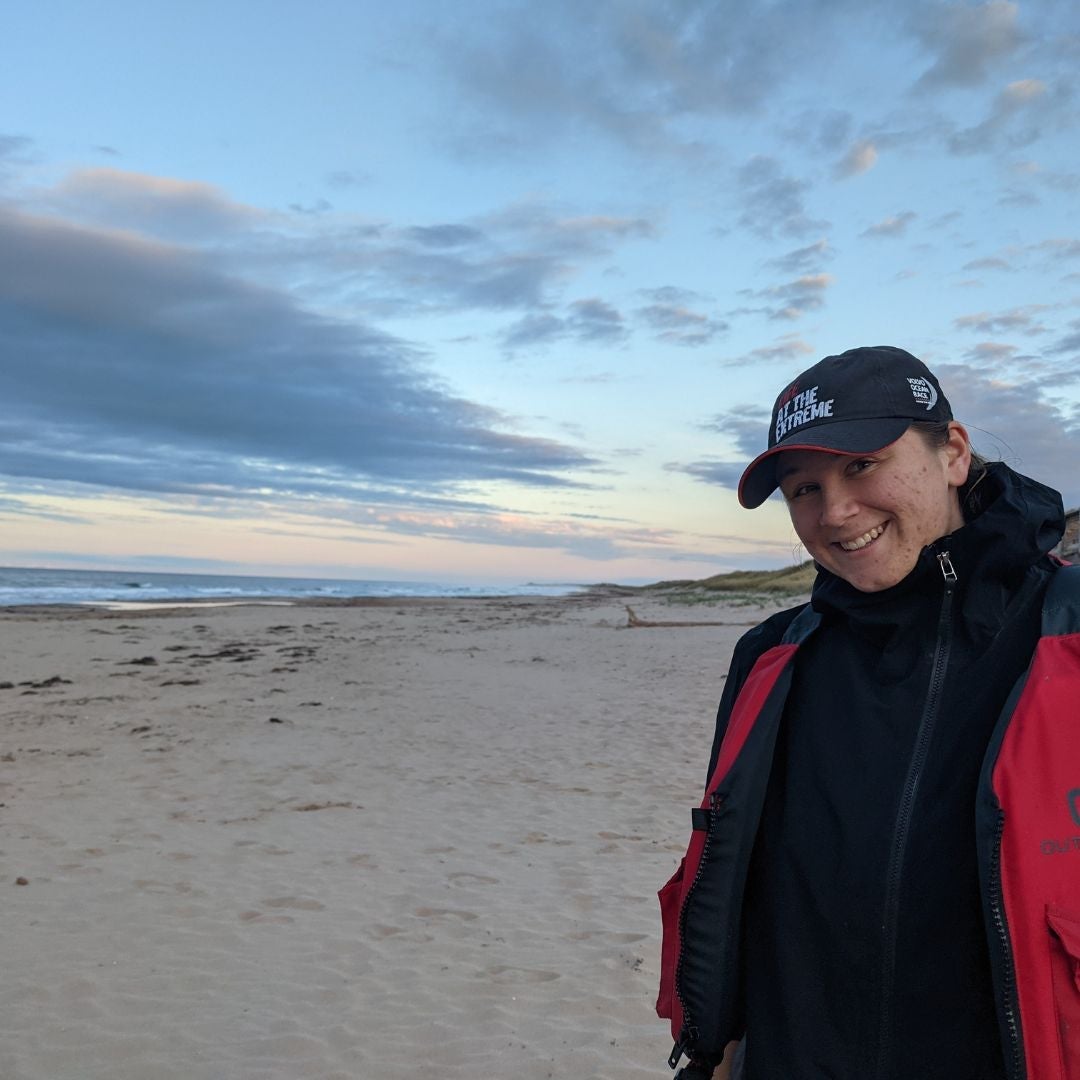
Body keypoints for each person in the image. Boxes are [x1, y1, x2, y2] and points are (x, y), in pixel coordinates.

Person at [655, 346, 1080, 1080]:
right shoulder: (771, 658)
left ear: (951, 451)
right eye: (802, 489)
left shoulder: (1065, 636)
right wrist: (717, 1047)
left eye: (861, 465)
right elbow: (735, 880)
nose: (835, 512)